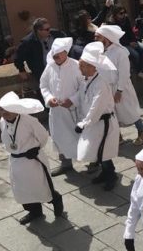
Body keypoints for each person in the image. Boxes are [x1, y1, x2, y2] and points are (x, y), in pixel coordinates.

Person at [0, 91, 64, 224]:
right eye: (1, 112)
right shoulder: (2, 122)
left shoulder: (29, 121)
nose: (4, 114)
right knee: (23, 189)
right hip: (17, 161)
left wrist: (36, 148)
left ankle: (55, 199)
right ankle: (34, 211)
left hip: (32, 160)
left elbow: (43, 136)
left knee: (40, 186)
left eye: (6, 111)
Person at [76, 42, 121, 190]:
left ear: (91, 67)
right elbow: (82, 98)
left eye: (82, 65)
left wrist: (85, 123)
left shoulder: (100, 84)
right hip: (95, 123)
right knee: (98, 151)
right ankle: (105, 172)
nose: (79, 68)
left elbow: (97, 106)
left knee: (104, 151)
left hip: (103, 123)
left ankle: (110, 176)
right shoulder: (86, 80)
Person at [95, 25, 143, 146]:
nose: (95, 39)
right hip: (106, 87)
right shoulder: (101, 51)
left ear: (106, 38)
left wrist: (119, 90)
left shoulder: (120, 52)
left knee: (129, 110)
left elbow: (124, 73)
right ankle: (117, 136)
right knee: (111, 112)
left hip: (120, 87)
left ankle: (142, 130)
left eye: (98, 37)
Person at [39, 37, 82, 176]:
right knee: (59, 137)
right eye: (54, 54)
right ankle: (66, 164)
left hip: (74, 111)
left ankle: (94, 162)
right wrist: (49, 98)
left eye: (58, 54)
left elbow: (84, 87)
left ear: (65, 52)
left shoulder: (77, 66)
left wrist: (72, 100)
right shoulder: (50, 66)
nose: (55, 56)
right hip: (56, 112)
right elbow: (44, 85)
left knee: (81, 138)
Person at [14, 17, 67, 88]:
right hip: (43, 74)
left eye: (49, 28)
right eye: (47, 29)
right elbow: (18, 57)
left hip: (61, 70)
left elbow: (67, 44)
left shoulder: (57, 35)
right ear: (39, 31)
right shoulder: (28, 42)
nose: (49, 31)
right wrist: (21, 70)